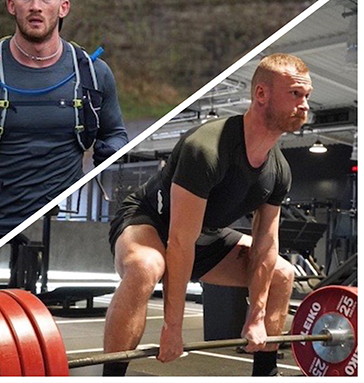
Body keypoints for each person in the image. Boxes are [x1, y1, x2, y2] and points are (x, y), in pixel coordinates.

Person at [104, 53, 311, 376]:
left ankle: (265, 372)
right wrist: (173, 327)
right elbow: (179, 240)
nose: (304, 104)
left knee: (282, 274)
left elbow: (265, 245)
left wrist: (256, 316)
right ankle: (112, 375)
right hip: (151, 223)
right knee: (147, 266)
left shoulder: (279, 170)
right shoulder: (207, 148)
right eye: (295, 94)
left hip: (205, 233)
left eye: (307, 96)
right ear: (261, 94)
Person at [0, 0, 128, 291]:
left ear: (63, 7)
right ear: (11, 5)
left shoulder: (94, 73)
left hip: (65, 238)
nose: (36, 6)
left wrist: (112, 150)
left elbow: (117, 133)